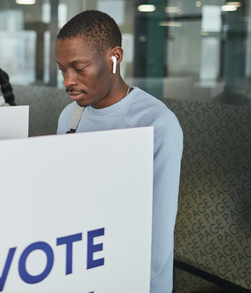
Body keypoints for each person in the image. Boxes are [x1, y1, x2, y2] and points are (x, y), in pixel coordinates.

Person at [55, 10, 183, 293]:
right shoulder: (70, 116)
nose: (67, 81)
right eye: (62, 69)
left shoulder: (157, 123)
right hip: (81, 270)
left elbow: (158, 235)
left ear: (115, 57)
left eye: (79, 68)